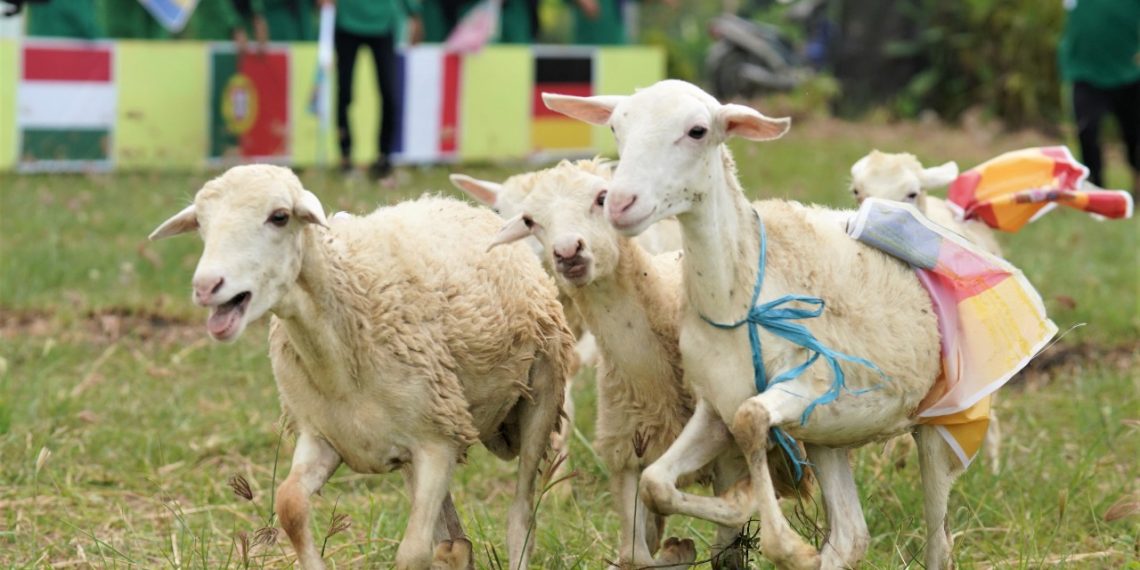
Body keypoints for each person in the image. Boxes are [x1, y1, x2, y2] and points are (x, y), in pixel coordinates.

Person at [326, 0, 422, 180]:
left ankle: (384, 158)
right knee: (344, 93)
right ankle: (345, 157)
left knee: (389, 93)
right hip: (347, 21)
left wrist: (414, 13)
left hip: (383, 23)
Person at [1059, 0, 1140, 196]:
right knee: (1087, 131)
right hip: (1085, 73)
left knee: (1135, 135)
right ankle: (1094, 190)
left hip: (1130, 71)